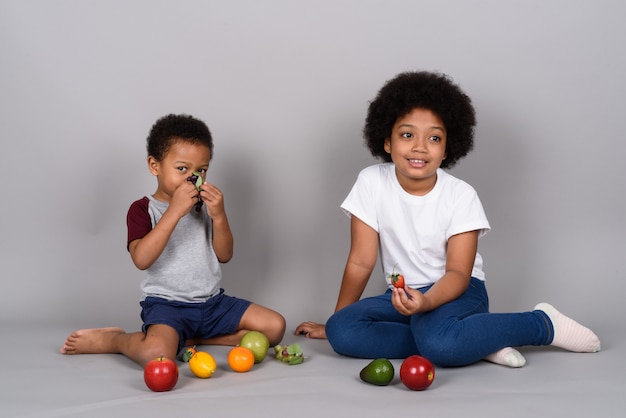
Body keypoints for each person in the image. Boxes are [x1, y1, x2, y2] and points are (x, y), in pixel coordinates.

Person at [295, 71, 600, 368]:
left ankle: (541, 324)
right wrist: (336, 322)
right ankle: (475, 341)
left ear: (446, 149)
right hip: (403, 295)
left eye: (434, 138)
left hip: (460, 292)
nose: (419, 146)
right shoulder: (371, 182)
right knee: (343, 333)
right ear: (387, 142)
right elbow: (361, 261)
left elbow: (457, 273)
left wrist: (428, 303)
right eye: (407, 134)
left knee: (439, 343)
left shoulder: (460, 196)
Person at [61, 114, 286, 366]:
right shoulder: (142, 209)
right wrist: (174, 211)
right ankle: (116, 340)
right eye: (182, 169)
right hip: (167, 307)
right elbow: (141, 259)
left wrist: (220, 216)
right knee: (155, 355)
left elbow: (225, 255)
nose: (193, 178)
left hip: (212, 303)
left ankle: (188, 338)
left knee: (275, 327)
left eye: (201, 170)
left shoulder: (204, 207)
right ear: (154, 165)